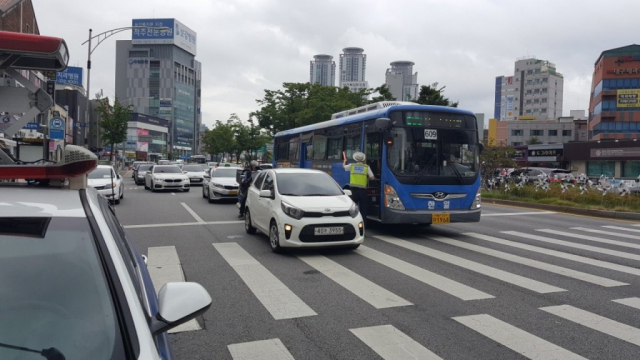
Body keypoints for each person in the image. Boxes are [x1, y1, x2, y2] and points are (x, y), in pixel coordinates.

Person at [343, 151, 375, 220]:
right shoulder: (366, 167)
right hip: (363, 191)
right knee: (363, 208)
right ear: (363, 159)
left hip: (354, 191)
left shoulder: (352, 166)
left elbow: (344, 167)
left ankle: (354, 221)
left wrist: (345, 161)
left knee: (354, 208)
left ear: (355, 159)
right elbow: (372, 177)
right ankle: (363, 224)